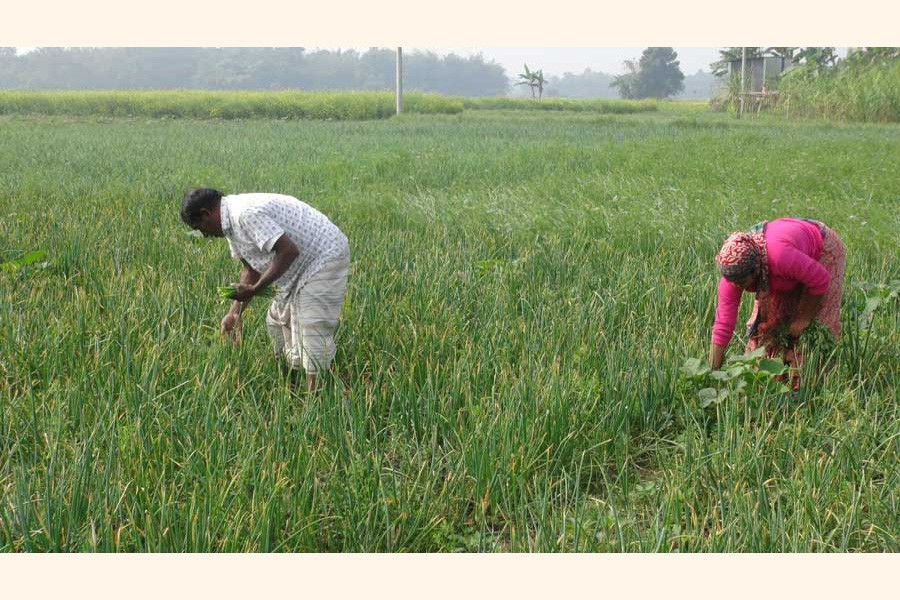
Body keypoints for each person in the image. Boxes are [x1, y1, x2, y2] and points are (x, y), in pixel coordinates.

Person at [181, 188, 350, 392]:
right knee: (277, 322)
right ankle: (292, 382)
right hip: (297, 267)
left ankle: (315, 398)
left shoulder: (245, 214)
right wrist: (234, 313)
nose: (204, 235)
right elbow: (250, 269)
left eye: (199, 228)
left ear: (206, 213)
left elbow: (288, 250)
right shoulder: (230, 225)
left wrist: (255, 289)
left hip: (323, 256)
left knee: (311, 326)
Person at [709, 217, 845, 378]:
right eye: (733, 283)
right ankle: (768, 376)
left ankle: (807, 380)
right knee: (768, 325)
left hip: (821, 250)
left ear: (756, 269)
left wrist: (804, 319)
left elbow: (820, 280)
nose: (738, 287)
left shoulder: (779, 257)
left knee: (815, 323)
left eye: (743, 282)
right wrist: (711, 372)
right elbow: (723, 325)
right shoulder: (733, 275)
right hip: (785, 264)